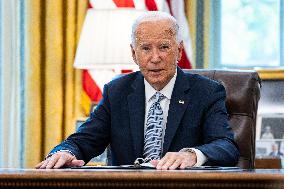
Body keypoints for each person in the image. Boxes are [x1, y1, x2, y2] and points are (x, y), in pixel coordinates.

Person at [36, 11, 239, 170]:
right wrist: (64, 152)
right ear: (134, 53)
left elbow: (226, 146)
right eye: (145, 48)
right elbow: (84, 141)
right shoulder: (116, 91)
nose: (155, 57)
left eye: (164, 47)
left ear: (179, 50)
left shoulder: (206, 92)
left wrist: (191, 155)